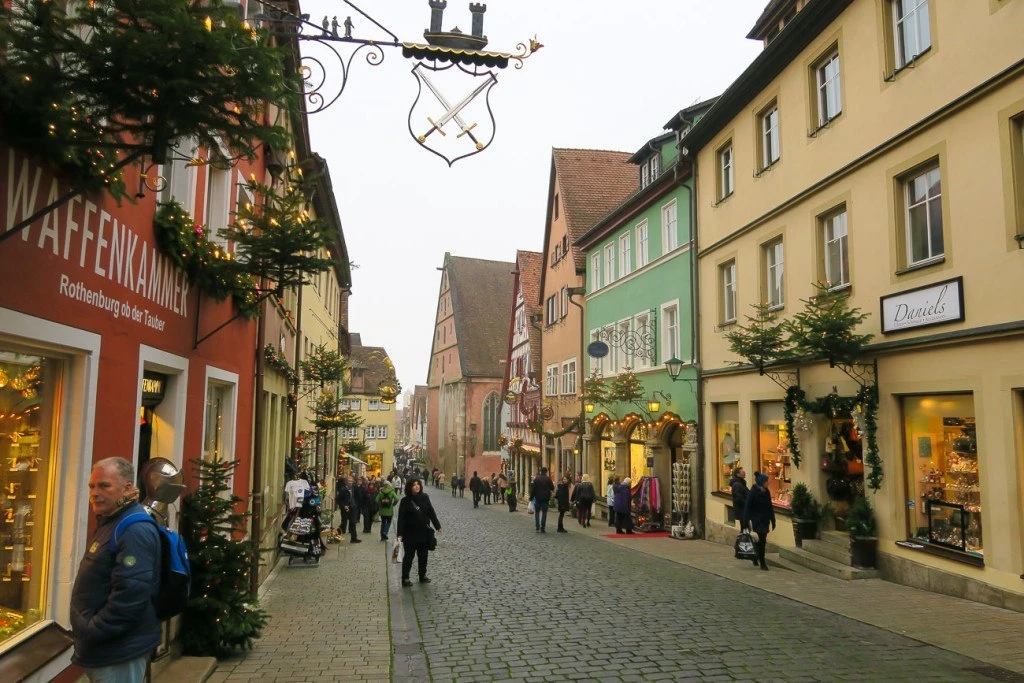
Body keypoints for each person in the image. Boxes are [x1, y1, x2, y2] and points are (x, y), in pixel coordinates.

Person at [71, 457, 160, 683]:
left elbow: (132, 593)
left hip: (119, 651)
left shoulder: (134, 529)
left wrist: (94, 630)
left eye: (104, 485)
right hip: (107, 648)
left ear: (127, 488)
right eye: (92, 486)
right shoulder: (112, 520)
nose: (95, 492)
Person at [396, 479, 441, 586]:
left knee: (423, 557)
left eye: (418, 484)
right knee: (409, 557)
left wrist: (437, 525)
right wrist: (400, 534)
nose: (417, 486)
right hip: (410, 534)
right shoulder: (405, 501)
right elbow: (401, 518)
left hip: (423, 533)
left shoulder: (425, 497)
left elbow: (431, 511)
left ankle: (422, 575)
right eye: (414, 485)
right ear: (410, 487)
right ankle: (405, 578)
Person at [743, 471, 776, 571]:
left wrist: (773, 519)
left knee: (762, 540)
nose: (768, 483)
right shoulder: (753, 492)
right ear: (761, 482)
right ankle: (763, 562)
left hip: (765, 519)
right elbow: (747, 507)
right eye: (766, 481)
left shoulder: (767, 492)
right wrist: (745, 522)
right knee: (763, 539)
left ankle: (755, 554)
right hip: (757, 519)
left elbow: (770, 506)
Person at [529, 467, 555, 533]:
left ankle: (537, 526)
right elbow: (552, 487)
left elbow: (533, 489)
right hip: (546, 498)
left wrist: (531, 497)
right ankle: (543, 527)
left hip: (538, 498)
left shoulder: (536, 479)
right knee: (544, 512)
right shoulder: (548, 479)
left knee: (537, 512)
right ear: (546, 472)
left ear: (540, 471)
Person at [339, 475, 361, 543]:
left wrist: (356, 505)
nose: (350, 482)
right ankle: (340, 537)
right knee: (344, 523)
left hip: (353, 508)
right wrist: (344, 506)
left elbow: (357, 496)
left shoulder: (354, 488)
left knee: (353, 523)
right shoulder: (343, 489)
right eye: (349, 481)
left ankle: (353, 538)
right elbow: (339, 499)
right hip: (345, 508)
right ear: (346, 482)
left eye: (351, 481)